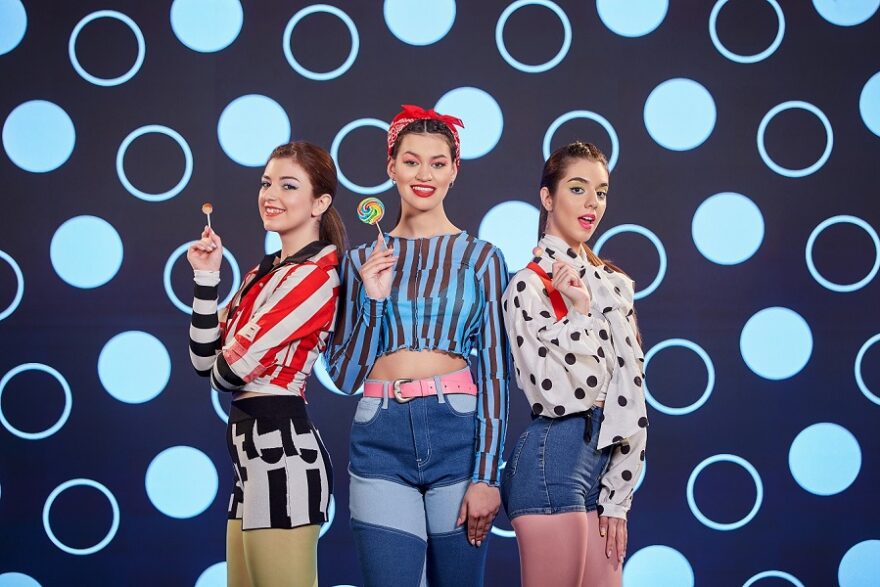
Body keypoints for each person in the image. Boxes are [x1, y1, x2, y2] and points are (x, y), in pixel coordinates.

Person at [325, 104, 510, 586]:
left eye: (437, 163)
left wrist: (487, 476)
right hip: (379, 436)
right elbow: (343, 376)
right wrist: (373, 301)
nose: (423, 174)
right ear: (391, 167)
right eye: (411, 161)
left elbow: (496, 373)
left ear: (454, 171)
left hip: (458, 436)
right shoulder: (359, 261)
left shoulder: (484, 259)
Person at [187, 141, 346, 587]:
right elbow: (203, 360)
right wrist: (207, 277)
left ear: (320, 202)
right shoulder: (265, 272)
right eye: (266, 183)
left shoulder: (315, 275)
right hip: (251, 458)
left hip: (283, 455)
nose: (270, 195)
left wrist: (227, 349)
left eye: (288, 185)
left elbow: (227, 373)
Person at [500, 141, 648, 587]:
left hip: (601, 466)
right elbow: (563, 394)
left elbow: (631, 391)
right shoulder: (528, 286)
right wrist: (579, 313)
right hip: (554, 458)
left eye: (600, 192)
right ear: (547, 198)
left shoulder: (614, 285)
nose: (592, 204)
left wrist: (618, 494)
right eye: (578, 189)